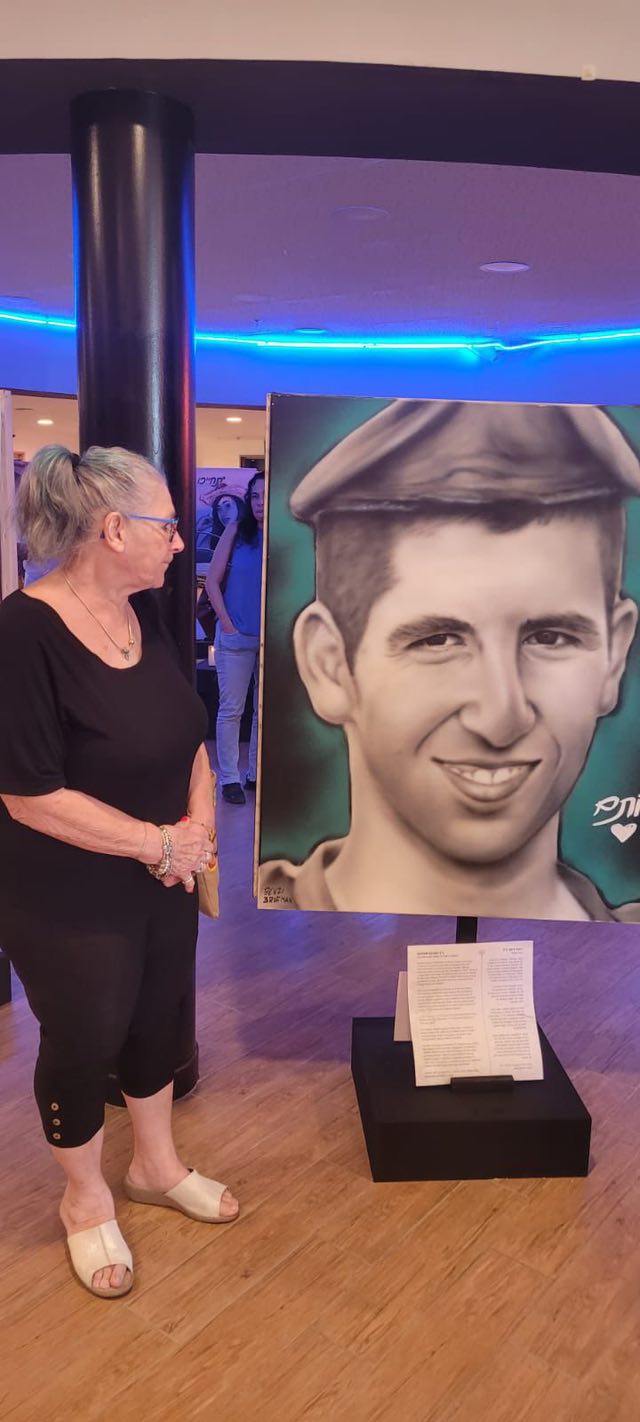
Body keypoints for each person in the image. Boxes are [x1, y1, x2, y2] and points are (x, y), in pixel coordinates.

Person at [0, 444, 239, 1301]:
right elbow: (29, 794)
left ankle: (154, 1166)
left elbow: (189, 739)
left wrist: (198, 829)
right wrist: (160, 845)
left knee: (158, 1016)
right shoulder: (24, 631)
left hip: (163, 872)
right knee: (84, 1035)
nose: (179, 542)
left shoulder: (148, 615)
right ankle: (84, 1196)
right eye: (167, 526)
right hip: (66, 891)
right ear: (112, 529)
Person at [259, 398, 640, 921]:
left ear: (615, 656)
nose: (501, 717)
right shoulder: (269, 938)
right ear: (329, 665)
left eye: (550, 638)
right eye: (438, 641)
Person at [206, 472, 264, 804]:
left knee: (262, 711)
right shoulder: (236, 530)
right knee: (231, 709)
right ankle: (228, 777)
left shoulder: (285, 535)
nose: (260, 503)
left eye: (266, 496)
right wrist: (228, 625)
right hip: (236, 637)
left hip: (269, 639)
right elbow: (212, 581)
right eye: (255, 496)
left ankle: (255, 773)